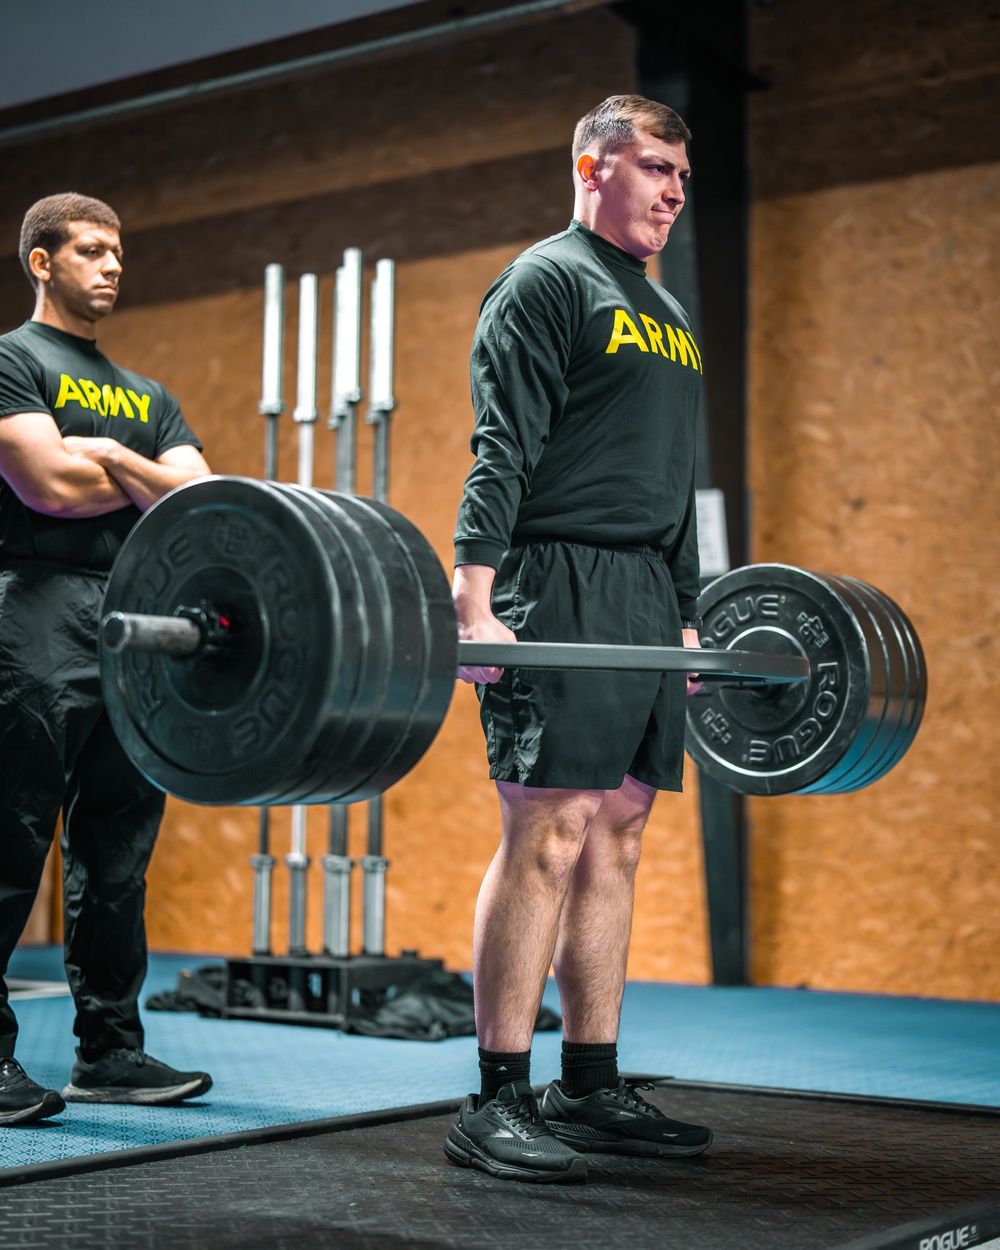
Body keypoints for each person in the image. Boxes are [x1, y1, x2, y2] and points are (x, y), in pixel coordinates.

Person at [445, 96, 711, 1183]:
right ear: (593, 166)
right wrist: (475, 596)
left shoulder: (670, 312)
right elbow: (499, 439)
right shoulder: (546, 279)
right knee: (548, 827)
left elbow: (675, 478)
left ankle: (589, 1082)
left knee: (621, 831)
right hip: (553, 578)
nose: (673, 190)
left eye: (682, 177)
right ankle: (496, 1095)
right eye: (654, 168)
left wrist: (690, 611)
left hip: (646, 591)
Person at [0, 193, 213, 1126]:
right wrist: (142, 472)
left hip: (134, 620)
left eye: (118, 250)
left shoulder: (148, 392)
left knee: (118, 851)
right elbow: (45, 486)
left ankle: (112, 1053)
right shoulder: (12, 359)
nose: (112, 264)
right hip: (32, 610)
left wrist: (107, 457)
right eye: (89, 249)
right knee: (10, 836)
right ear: (41, 262)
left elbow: (201, 497)